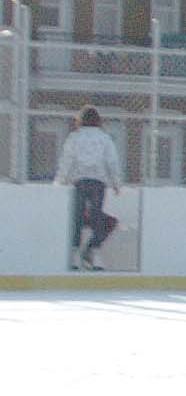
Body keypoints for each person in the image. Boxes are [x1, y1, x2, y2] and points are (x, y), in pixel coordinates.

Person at [54, 105, 125, 271]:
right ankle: (95, 254)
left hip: (79, 182)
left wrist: (60, 181)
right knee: (97, 218)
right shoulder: (104, 138)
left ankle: (74, 257)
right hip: (98, 182)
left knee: (77, 218)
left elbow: (67, 161)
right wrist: (116, 183)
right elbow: (112, 162)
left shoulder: (74, 137)